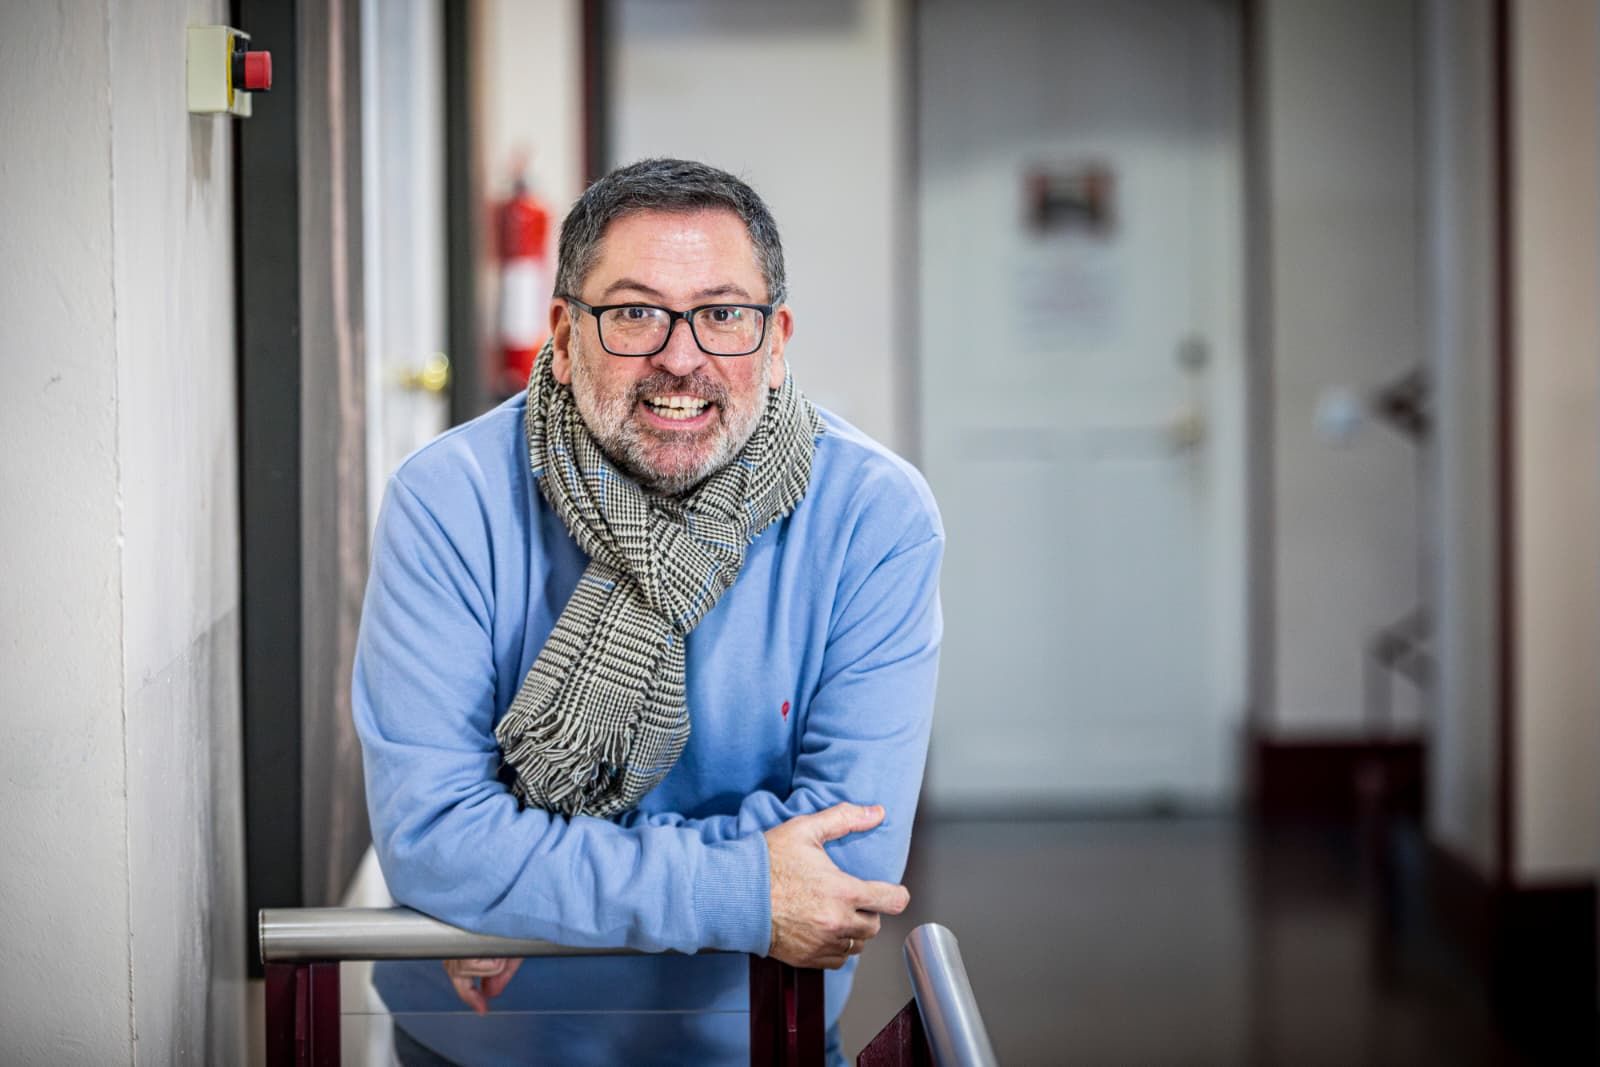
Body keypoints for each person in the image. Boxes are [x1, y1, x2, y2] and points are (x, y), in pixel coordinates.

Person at [353, 158, 943, 1066]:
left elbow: (849, 870)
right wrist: (742, 887)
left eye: (724, 313)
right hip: (481, 1048)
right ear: (563, 331)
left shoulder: (875, 515)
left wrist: (523, 881)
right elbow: (436, 843)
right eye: (632, 311)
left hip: (753, 1038)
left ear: (776, 339)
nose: (681, 354)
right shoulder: (449, 499)